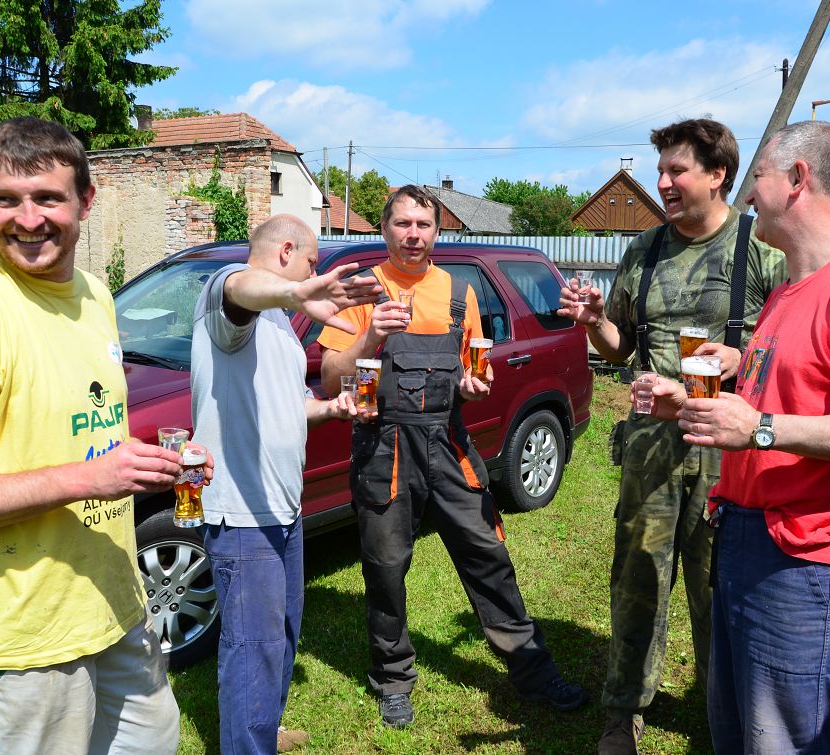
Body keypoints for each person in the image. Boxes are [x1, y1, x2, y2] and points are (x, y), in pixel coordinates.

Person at [0, 117, 198, 753]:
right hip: (22, 637)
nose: (27, 219)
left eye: (48, 198)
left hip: (114, 605)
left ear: (86, 200)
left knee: (154, 741)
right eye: (6, 199)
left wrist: (141, 463)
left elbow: (78, 431)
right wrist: (88, 478)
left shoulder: (94, 295)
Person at [647, 120, 830, 752]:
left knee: (785, 740)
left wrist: (759, 429)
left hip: (806, 561)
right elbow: (776, 402)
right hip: (746, 538)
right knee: (738, 731)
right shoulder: (786, 292)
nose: (750, 196)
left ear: (799, 179)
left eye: (759, 178)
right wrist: (695, 407)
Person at [317, 184, 588, 729]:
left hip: (449, 444)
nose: (413, 235)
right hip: (385, 447)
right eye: (402, 224)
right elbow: (329, 379)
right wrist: (369, 338)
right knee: (386, 567)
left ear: (437, 231)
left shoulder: (459, 292)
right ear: (384, 229)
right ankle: (393, 677)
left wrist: (472, 385)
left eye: (424, 225)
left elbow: (472, 373)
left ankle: (533, 671)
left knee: (488, 554)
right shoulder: (362, 293)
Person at [559, 118, 786, 753]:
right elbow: (620, 346)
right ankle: (624, 710)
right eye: (661, 171)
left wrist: (743, 357)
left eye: (676, 170)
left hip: (727, 448)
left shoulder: (761, 247)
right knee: (637, 577)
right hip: (651, 446)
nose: (662, 182)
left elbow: (790, 349)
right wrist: (596, 322)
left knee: (720, 585)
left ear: (717, 175)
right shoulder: (645, 250)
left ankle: (725, 713)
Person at [190, 214, 380, 754]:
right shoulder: (227, 295)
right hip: (242, 515)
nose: (315, 274)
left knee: (282, 634)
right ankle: (247, 744)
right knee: (253, 645)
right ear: (285, 251)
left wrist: (331, 407)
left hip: (283, 508)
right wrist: (298, 293)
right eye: (312, 263)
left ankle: (264, 727)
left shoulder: (277, 323)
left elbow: (290, 403)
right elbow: (240, 288)